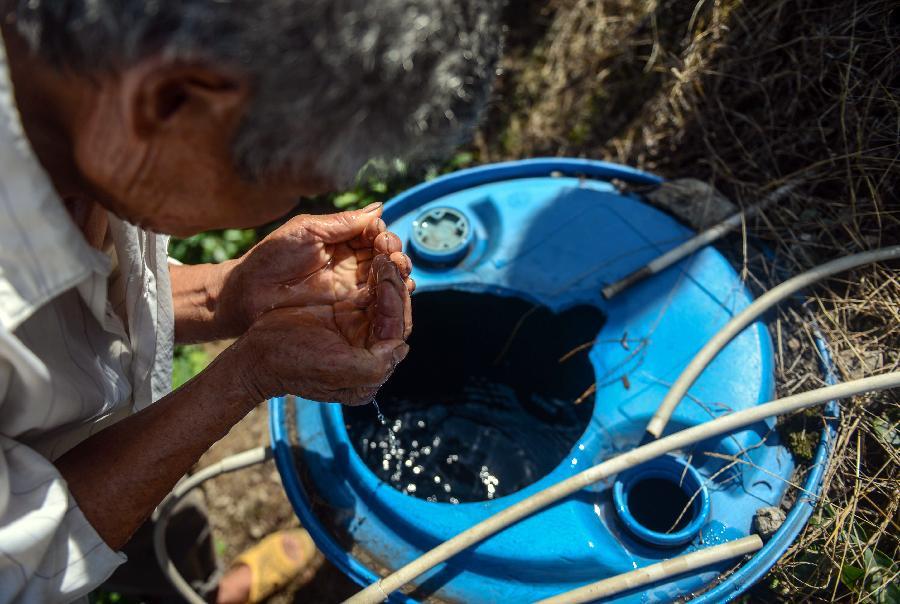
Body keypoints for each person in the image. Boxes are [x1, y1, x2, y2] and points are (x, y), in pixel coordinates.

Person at [0, 1, 501, 602]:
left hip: (109, 455)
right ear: (168, 102)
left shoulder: (90, 114)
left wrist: (225, 295)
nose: (292, 203)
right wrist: (244, 376)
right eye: (294, 181)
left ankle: (208, 588)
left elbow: (89, 301)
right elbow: (16, 562)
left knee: (167, 538)